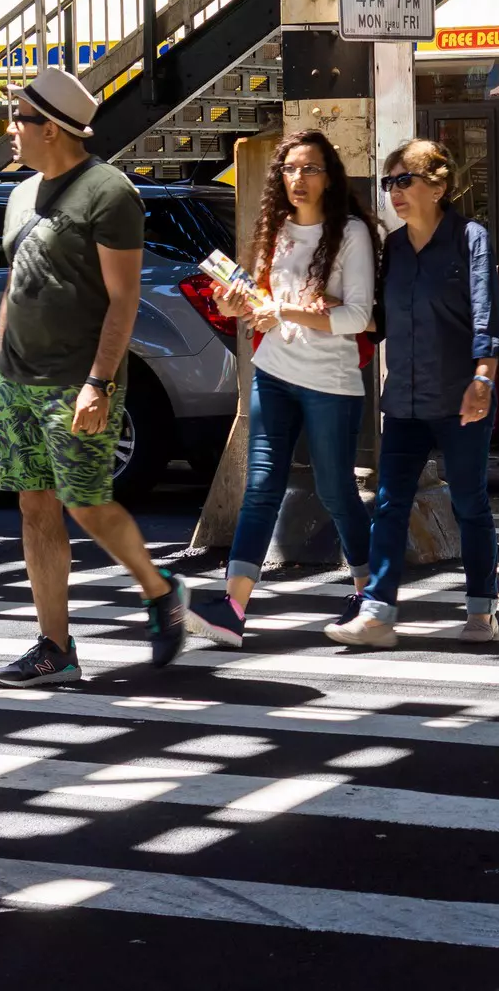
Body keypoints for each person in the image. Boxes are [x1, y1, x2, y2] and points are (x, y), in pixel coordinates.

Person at [0, 68, 187, 687]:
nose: (10, 130)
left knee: (86, 503)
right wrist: (1, 366)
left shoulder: (109, 192)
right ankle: (55, 646)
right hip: (16, 381)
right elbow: (14, 286)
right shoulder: (22, 194)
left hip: (78, 380)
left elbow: (123, 299)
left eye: (18, 118)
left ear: (51, 127)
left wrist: (99, 384)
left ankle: (160, 590)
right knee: (35, 508)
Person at [191, 131, 378, 646]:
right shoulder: (276, 229)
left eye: (311, 169)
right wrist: (238, 307)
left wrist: (284, 311)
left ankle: (368, 593)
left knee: (336, 489)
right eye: (290, 170)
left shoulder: (352, 234)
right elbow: (262, 304)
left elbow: (359, 315)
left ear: (330, 176)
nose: (298, 179)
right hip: (273, 371)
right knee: (261, 488)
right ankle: (232, 607)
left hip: (330, 382)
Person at [330, 140, 499, 648]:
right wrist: (329, 309)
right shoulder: (395, 249)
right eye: (389, 183)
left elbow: (486, 317)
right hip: (403, 399)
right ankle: (378, 612)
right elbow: (378, 321)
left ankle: (481, 607)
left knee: (470, 502)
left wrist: (484, 380)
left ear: (440, 185)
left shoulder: (470, 238)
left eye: (404, 180)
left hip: (460, 397)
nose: (394, 193)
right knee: (389, 503)